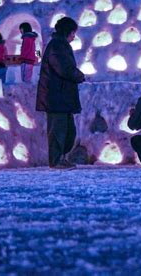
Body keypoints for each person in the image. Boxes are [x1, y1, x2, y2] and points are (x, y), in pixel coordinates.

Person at [36, 17, 85, 169]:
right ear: (67, 32)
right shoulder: (57, 46)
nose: (74, 36)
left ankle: (61, 158)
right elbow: (64, 68)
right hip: (55, 96)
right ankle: (56, 160)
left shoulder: (60, 45)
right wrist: (79, 75)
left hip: (61, 96)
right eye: (73, 32)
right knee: (58, 131)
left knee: (68, 131)